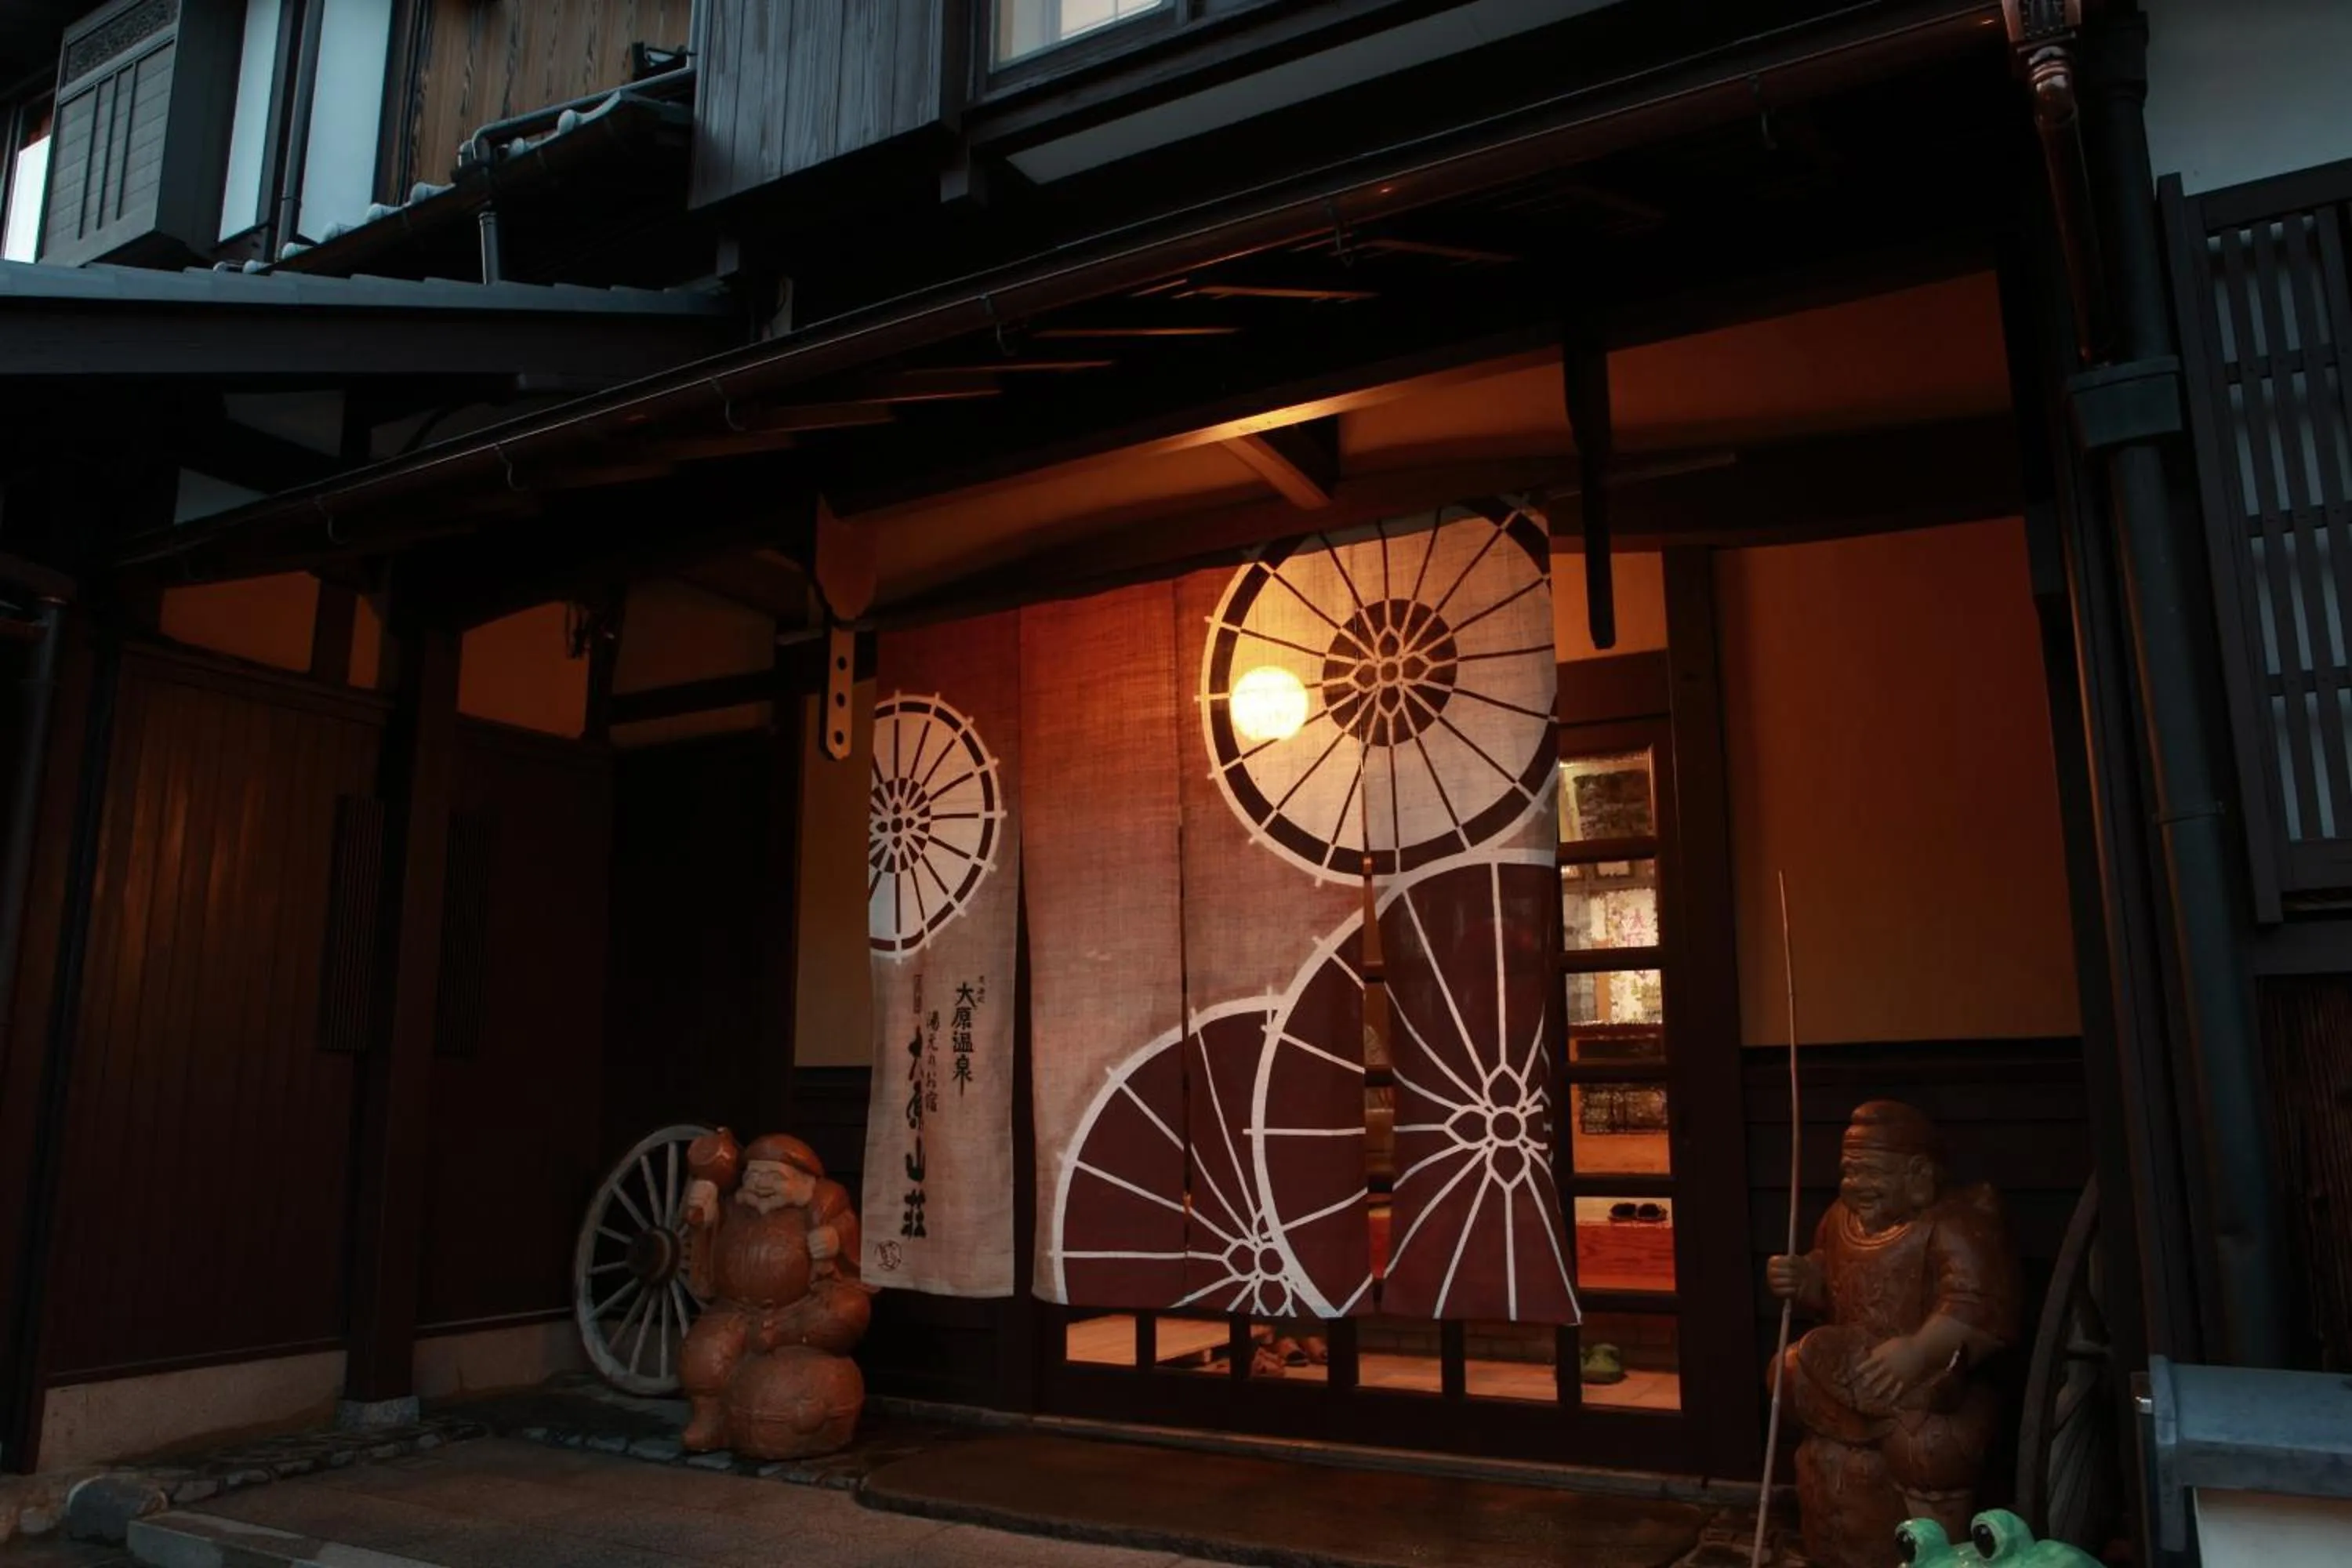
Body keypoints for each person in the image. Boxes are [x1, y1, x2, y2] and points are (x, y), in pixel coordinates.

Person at [1766, 1101, 2020, 1568]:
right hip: (1858, 1376)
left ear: (1917, 1173)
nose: (1856, 1186)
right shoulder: (1839, 1220)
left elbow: (1976, 1308)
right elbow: (1831, 1275)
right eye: (1850, 1172)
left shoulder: (1956, 1226)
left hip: (1930, 1386)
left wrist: (1920, 1349)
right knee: (1787, 1371)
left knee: (1929, 1445)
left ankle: (1938, 1557)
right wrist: (1803, 1276)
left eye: (1872, 1173)